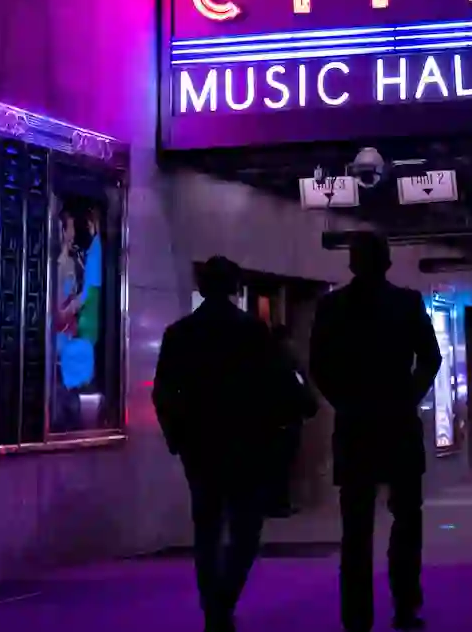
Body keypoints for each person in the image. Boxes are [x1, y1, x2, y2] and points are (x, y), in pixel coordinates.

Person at [153, 256, 303, 632]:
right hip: (246, 443)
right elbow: (279, 383)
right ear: (235, 288)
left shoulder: (180, 334)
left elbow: (164, 392)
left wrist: (177, 437)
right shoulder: (253, 332)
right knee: (245, 529)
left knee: (207, 527)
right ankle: (223, 601)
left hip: (199, 445)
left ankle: (212, 607)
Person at [310, 233, 442, 632]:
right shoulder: (406, 303)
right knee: (406, 520)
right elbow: (430, 357)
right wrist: (408, 395)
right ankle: (405, 606)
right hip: (398, 424)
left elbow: (319, 366)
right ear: (387, 263)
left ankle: (356, 616)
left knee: (356, 529)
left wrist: (346, 400)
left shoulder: (331, 307)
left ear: (351, 264)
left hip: (355, 427)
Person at [265, 324, 320, 518]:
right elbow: (301, 389)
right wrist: (310, 407)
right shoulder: (289, 362)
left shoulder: (264, 362)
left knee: (273, 464)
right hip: (287, 419)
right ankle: (279, 503)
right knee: (283, 463)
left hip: (270, 420)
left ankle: (272, 502)